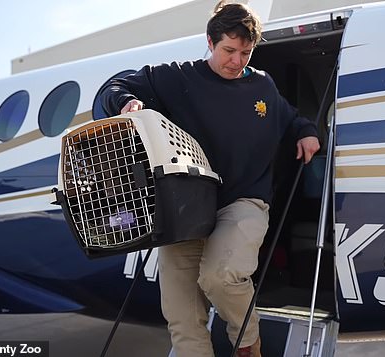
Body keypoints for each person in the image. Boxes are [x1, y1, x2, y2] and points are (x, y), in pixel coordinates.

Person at [102, 2, 320, 356]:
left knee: (222, 276)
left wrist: (306, 131)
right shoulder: (178, 76)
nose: (237, 61)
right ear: (210, 42)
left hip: (244, 200)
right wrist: (125, 100)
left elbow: (290, 116)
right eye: (229, 51)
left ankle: (247, 342)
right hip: (185, 209)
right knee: (182, 316)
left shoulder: (262, 86)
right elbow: (116, 86)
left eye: (245, 53)